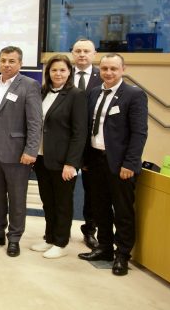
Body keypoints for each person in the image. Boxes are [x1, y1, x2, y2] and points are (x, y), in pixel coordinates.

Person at [78, 54, 148, 276]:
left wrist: (130, 163)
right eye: (105, 68)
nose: (108, 73)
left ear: (123, 69)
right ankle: (105, 248)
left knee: (123, 212)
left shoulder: (134, 95)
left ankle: (122, 255)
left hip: (120, 164)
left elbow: (139, 133)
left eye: (113, 69)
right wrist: (85, 159)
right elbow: (88, 128)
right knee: (100, 208)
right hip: (95, 161)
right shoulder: (94, 93)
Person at [0, 46, 42, 257]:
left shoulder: (29, 85)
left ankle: (14, 238)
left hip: (17, 152)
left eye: (11, 61)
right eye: (3, 60)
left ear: (20, 63)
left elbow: (35, 122)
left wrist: (31, 150)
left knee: (16, 198)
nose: (6, 64)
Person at [31, 54, 87, 259]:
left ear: (69, 72)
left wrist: (71, 163)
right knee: (47, 201)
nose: (58, 74)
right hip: (41, 157)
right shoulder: (42, 92)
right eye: (54, 70)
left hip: (63, 161)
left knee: (62, 203)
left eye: (62, 70)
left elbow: (79, 133)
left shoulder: (76, 95)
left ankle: (61, 242)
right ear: (48, 72)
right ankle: (49, 237)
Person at [71, 38, 103, 250]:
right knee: (62, 192)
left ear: (94, 54)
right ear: (72, 54)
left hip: (92, 147)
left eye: (86, 51)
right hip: (67, 144)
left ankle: (90, 230)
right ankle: (57, 231)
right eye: (78, 51)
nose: (82, 54)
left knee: (93, 193)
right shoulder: (62, 75)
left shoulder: (103, 77)